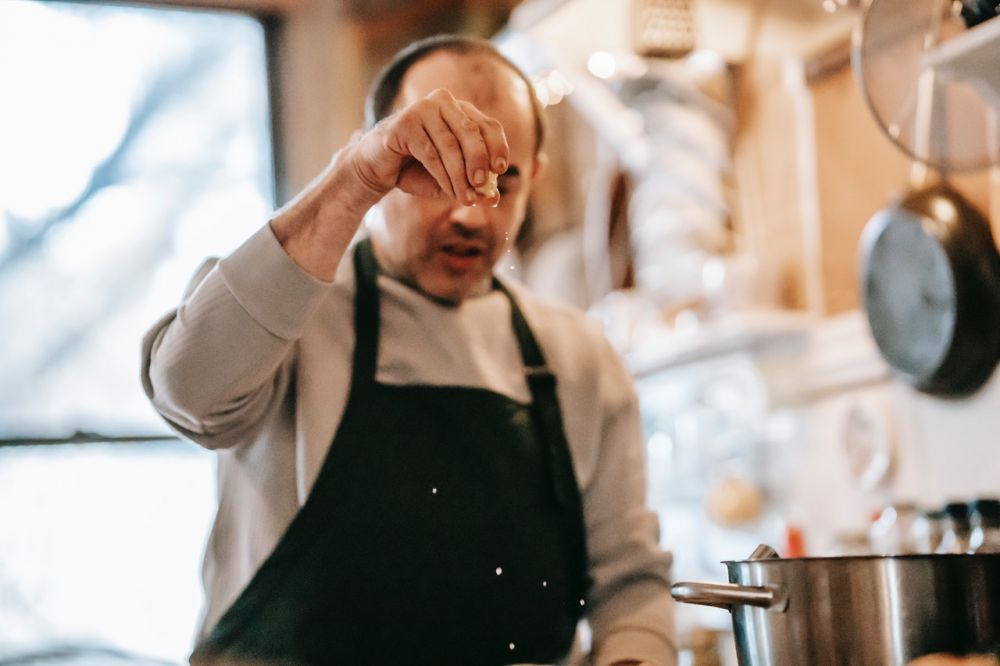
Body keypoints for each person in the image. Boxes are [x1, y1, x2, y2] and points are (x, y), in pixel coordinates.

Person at [141, 34, 675, 666]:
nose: (473, 215)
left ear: (533, 177)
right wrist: (350, 179)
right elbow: (188, 389)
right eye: (434, 173)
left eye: (501, 180)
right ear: (381, 165)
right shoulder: (287, 313)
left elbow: (628, 583)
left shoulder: (579, 355)